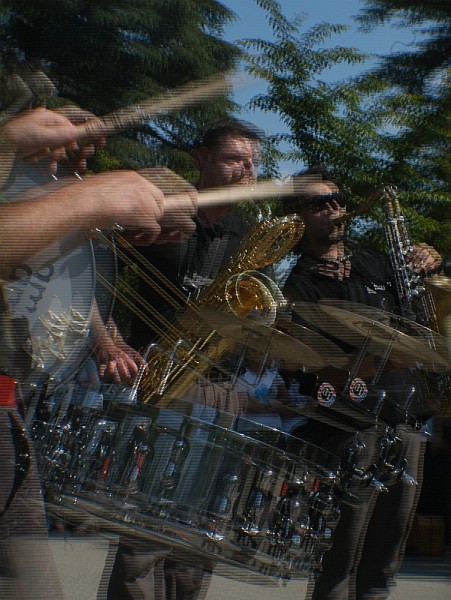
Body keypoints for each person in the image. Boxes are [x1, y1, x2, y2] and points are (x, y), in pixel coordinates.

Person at [0, 94, 197, 599]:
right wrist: (88, 203)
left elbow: (54, 279)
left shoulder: (38, 191)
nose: (83, 158)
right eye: (77, 143)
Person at [104, 118, 263, 600]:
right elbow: (96, 272)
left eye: (254, 162)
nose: (247, 170)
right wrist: (108, 342)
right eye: (235, 159)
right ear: (200, 159)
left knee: (200, 529)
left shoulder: (251, 233)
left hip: (223, 386)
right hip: (161, 380)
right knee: (144, 528)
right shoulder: (162, 213)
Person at [281, 172, 443, 600]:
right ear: (296, 217)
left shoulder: (377, 263)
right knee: (340, 555)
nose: (334, 209)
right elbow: (310, 376)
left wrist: (429, 261)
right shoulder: (298, 287)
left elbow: (421, 310)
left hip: (406, 421)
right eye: (320, 204)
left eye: (338, 200)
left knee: (385, 559)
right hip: (348, 428)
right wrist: (382, 360)